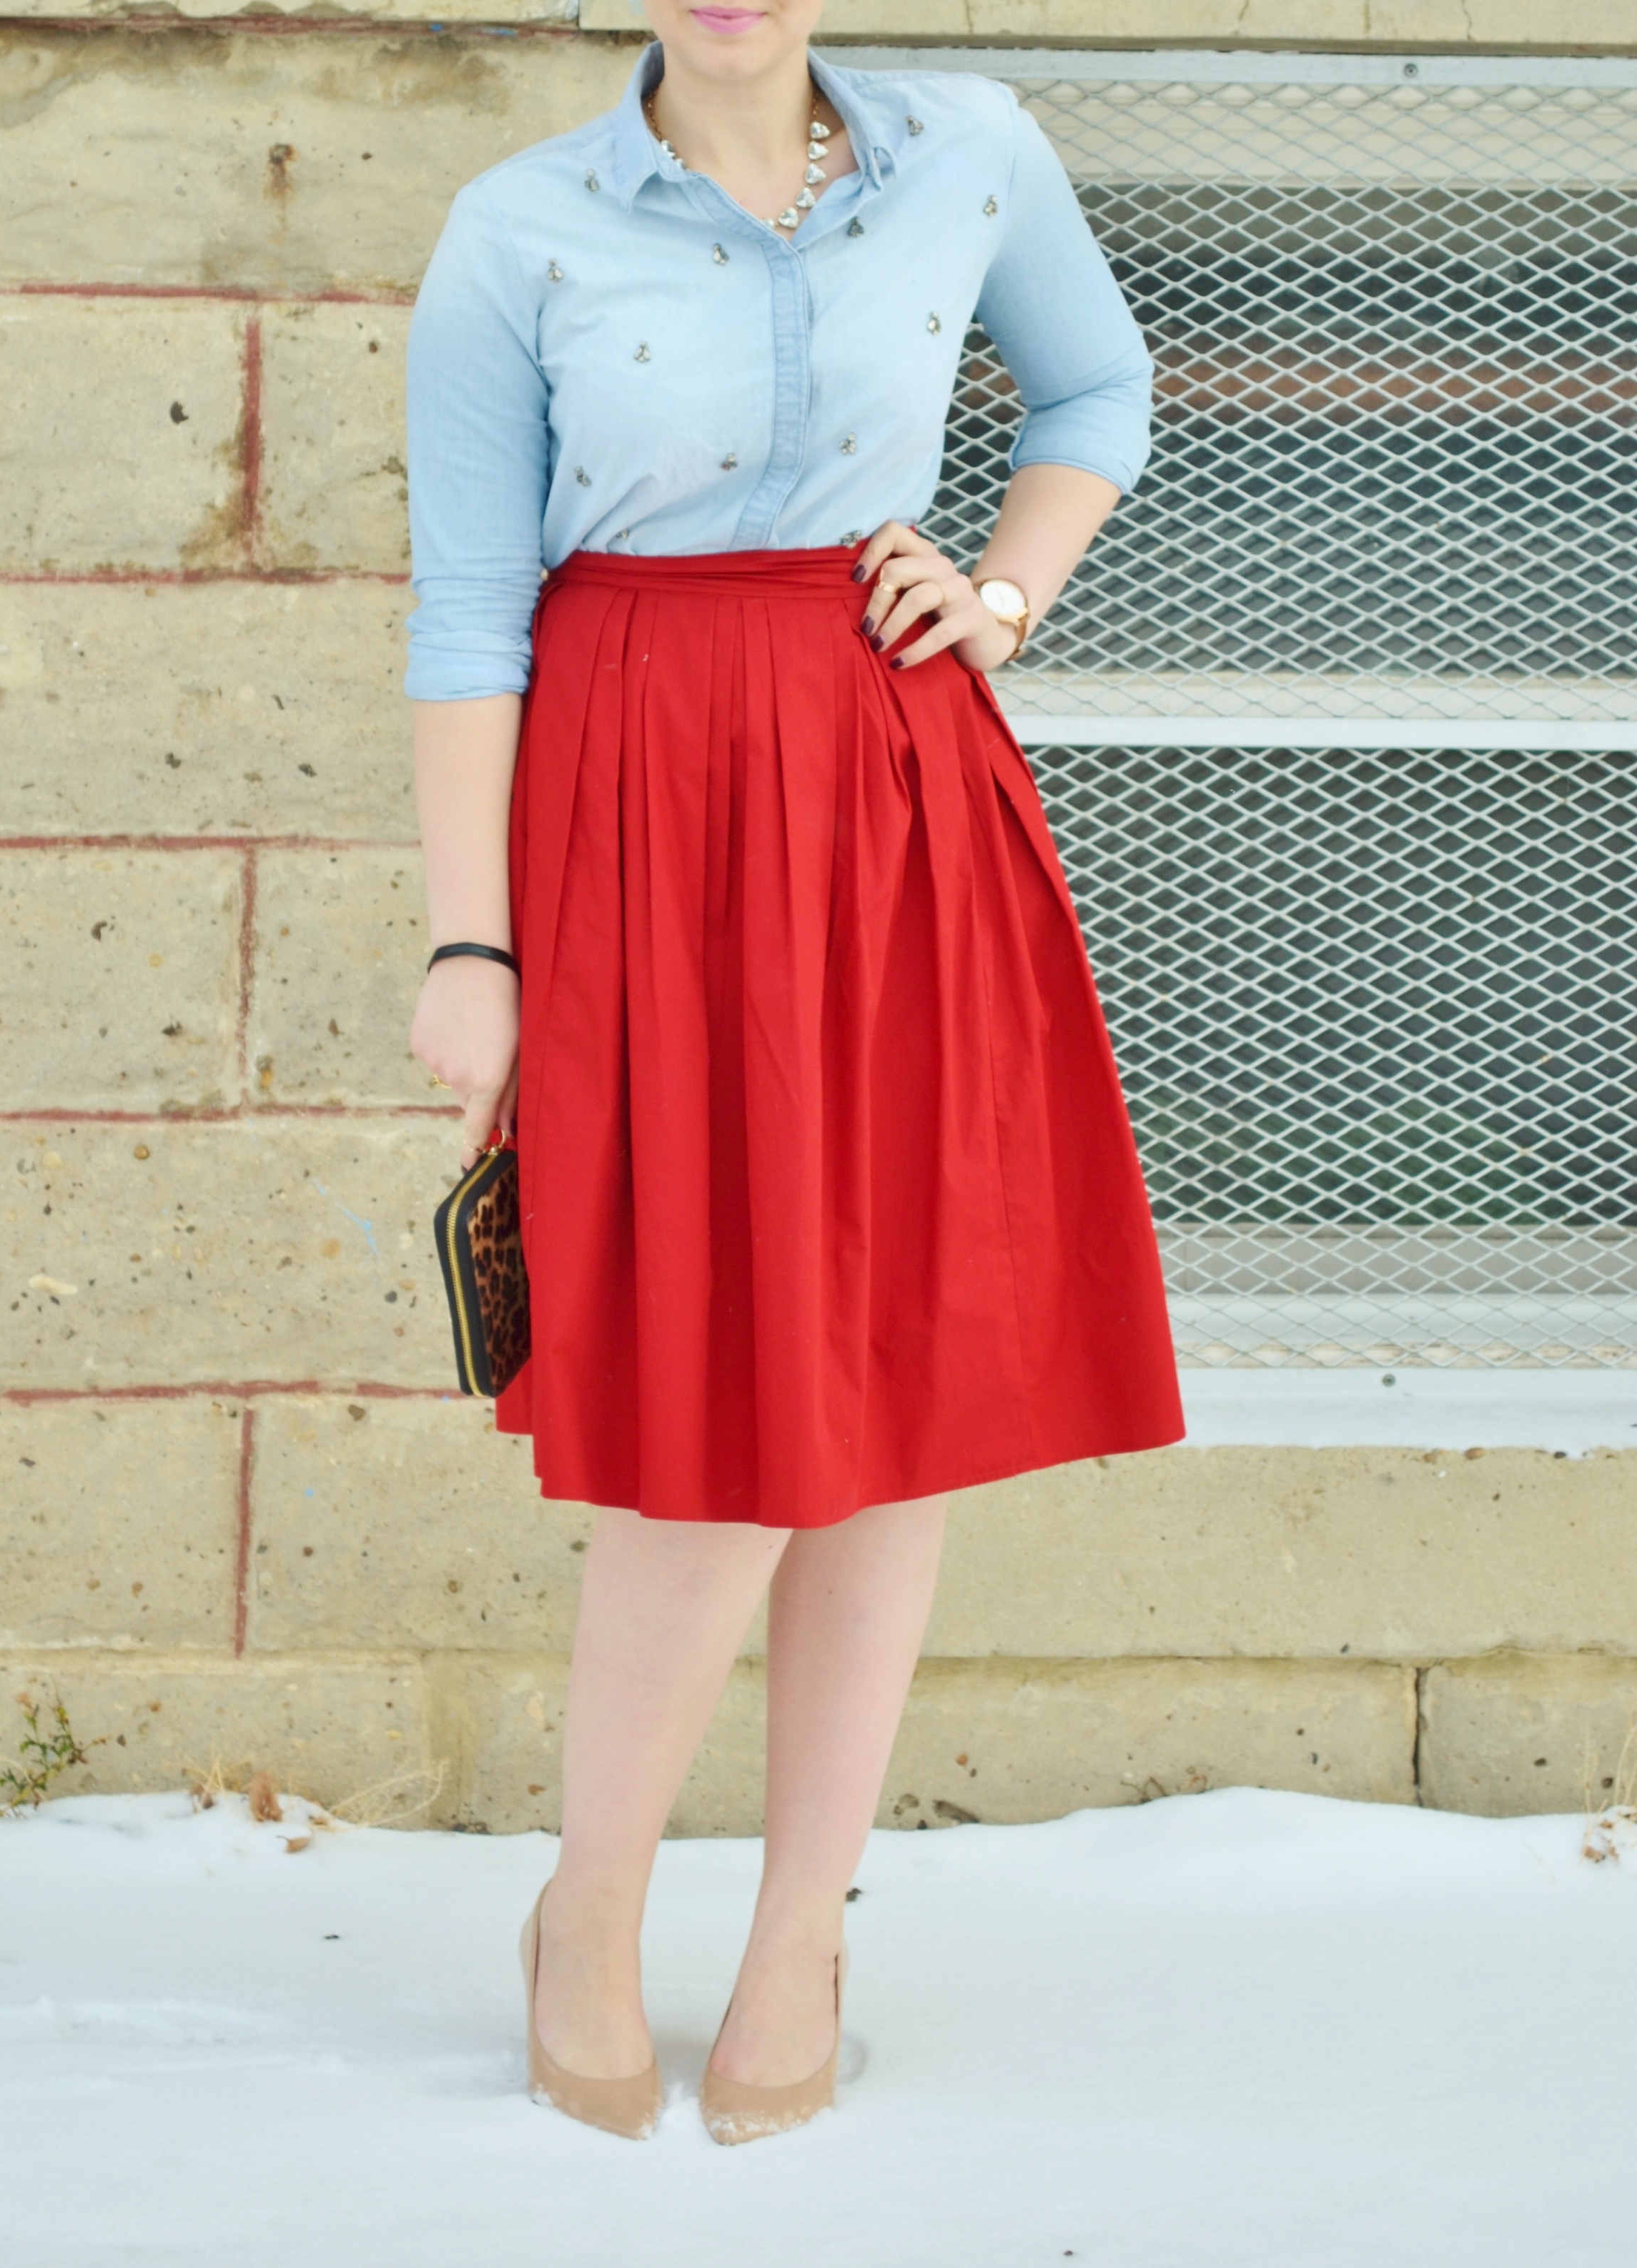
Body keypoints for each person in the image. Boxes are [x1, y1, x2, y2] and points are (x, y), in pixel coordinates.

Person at [404, 0, 1182, 2145]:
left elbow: (1098, 388)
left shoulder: (973, 150)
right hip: (638, 805)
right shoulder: (517, 227)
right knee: (709, 1419)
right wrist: (472, 945)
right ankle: (594, 1904)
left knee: (892, 1387)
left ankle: (798, 1933)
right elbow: (470, 608)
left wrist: (1003, 593)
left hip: (888, 792)